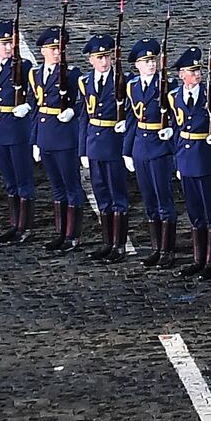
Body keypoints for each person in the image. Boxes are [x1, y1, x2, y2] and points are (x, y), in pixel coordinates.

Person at [0, 19, 35, 243]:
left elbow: (35, 94)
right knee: (9, 180)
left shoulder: (24, 66)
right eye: (4, 43)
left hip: (18, 129)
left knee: (23, 179)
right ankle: (14, 223)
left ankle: (25, 227)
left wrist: (27, 106)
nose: (9, 47)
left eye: (11, 43)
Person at [123, 37, 178, 267]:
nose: (151, 65)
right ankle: (156, 248)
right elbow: (131, 119)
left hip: (160, 147)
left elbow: (177, 118)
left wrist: (172, 141)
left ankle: (167, 250)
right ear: (136, 65)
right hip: (140, 148)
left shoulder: (167, 85)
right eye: (146, 61)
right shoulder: (132, 86)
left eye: (153, 60)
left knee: (163, 199)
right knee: (149, 201)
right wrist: (127, 150)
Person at [78, 32, 132, 257]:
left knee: (117, 194)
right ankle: (107, 242)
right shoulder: (85, 82)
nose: (103, 62)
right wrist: (82, 149)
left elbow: (133, 112)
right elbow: (83, 116)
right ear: (90, 59)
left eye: (107, 57)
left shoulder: (123, 81)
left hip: (113, 143)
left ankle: (119, 244)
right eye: (98, 57)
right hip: (94, 144)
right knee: (101, 193)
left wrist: (125, 126)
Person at [169, 46, 211, 277]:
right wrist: (176, 160)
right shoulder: (173, 97)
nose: (197, 75)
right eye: (192, 71)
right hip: (186, 158)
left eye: (199, 71)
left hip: (205, 156)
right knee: (194, 211)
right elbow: (174, 127)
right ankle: (198, 259)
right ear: (181, 74)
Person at [31, 26, 82, 251]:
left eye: (60, 48)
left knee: (71, 186)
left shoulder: (71, 73)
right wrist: (34, 139)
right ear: (43, 51)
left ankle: (72, 235)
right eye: (52, 48)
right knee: (56, 187)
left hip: (64, 136)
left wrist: (72, 111)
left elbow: (82, 101)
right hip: (45, 135)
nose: (56, 52)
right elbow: (36, 107)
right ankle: (60, 232)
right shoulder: (35, 73)